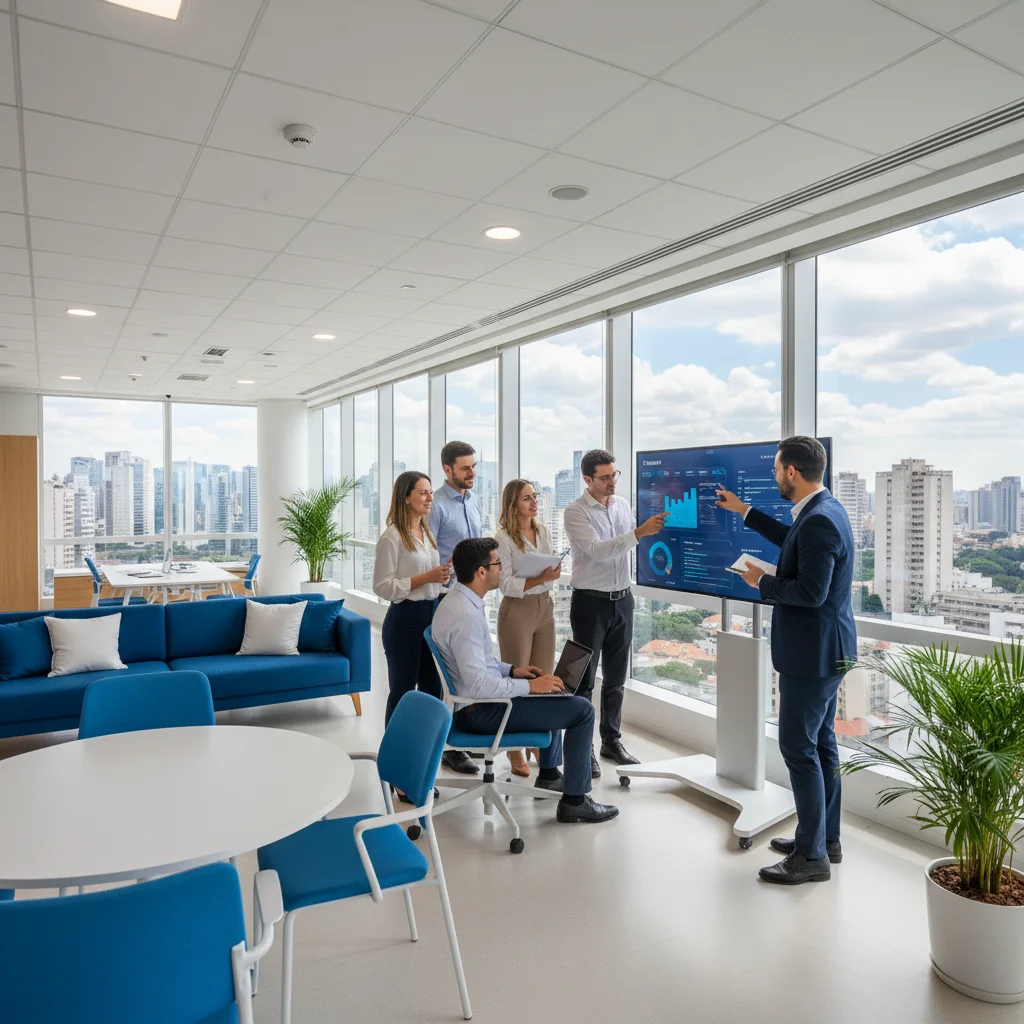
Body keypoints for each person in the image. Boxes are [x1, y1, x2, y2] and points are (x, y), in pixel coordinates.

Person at [715, 436, 856, 886]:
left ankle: (810, 857)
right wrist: (744, 511)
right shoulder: (822, 511)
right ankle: (822, 839)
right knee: (822, 747)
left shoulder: (820, 522)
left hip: (812, 657)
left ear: (790, 472)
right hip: (826, 650)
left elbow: (811, 593)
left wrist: (762, 581)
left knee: (799, 749)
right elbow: (790, 541)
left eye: (776, 469)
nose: (775, 476)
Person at [431, 537, 619, 824]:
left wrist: (513, 671)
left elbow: (483, 664)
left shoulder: (460, 602)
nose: (501, 568)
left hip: (479, 703)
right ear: (481, 572)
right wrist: (530, 687)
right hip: (481, 711)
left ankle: (549, 775)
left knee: (555, 689)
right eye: (497, 564)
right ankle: (575, 801)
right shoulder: (465, 616)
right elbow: (479, 685)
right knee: (582, 710)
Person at [563, 449, 667, 777]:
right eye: (604, 477)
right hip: (589, 603)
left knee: (616, 678)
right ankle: (584, 749)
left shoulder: (622, 505)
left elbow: (630, 544)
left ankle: (611, 740)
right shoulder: (575, 511)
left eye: (614, 475)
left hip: (623, 600)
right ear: (587, 480)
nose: (611, 482)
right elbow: (596, 551)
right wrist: (637, 534)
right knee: (584, 680)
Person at [373, 471, 450, 732]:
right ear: (406, 498)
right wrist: (426, 577)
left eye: (430, 492)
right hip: (405, 619)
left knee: (432, 688)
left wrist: (440, 578)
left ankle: (423, 749)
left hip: (432, 614)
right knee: (403, 690)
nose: (430, 497)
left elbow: (429, 581)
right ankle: (394, 757)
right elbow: (382, 586)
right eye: (423, 492)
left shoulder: (426, 533)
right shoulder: (391, 537)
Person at [495, 479, 559, 777]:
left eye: (535, 496)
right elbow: (503, 583)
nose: (534, 502)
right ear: (513, 505)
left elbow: (549, 571)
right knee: (518, 680)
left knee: (544, 679)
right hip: (517, 610)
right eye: (526, 498)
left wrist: (550, 575)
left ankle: (535, 741)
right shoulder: (503, 538)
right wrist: (537, 579)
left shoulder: (543, 530)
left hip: (544, 606)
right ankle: (514, 751)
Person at [428, 440, 482, 776]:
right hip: (445, 600)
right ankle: (449, 746)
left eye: (474, 466)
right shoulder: (435, 505)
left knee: (470, 670)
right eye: (465, 468)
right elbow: (427, 554)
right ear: (447, 470)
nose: (472, 473)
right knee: (450, 675)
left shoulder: (474, 501)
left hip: (472, 599)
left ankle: (463, 737)